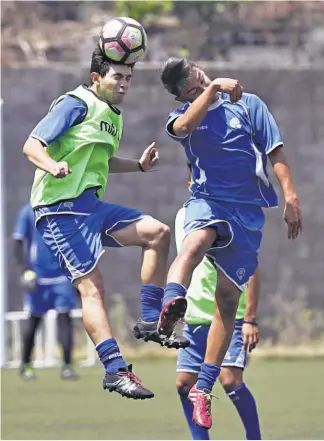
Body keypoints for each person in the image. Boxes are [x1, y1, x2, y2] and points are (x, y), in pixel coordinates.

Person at [22, 46, 185, 400]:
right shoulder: (74, 103)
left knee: (158, 233)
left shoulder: (112, 115)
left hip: (91, 207)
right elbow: (32, 146)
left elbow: (102, 162)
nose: (125, 83)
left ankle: (149, 321)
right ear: (96, 77)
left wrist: (139, 166)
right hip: (59, 210)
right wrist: (51, 166)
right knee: (92, 288)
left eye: (129, 78)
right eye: (118, 77)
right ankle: (114, 370)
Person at [160, 57, 302, 428]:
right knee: (195, 242)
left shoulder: (250, 105)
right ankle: (170, 303)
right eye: (191, 91)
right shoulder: (182, 118)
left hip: (249, 212)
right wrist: (208, 91)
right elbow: (185, 125)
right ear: (183, 97)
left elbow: (275, 151)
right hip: (208, 201)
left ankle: (203, 390)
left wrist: (290, 196)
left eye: (201, 80)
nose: (201, 89)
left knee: (228, 297)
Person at [174, 163, 261, 440]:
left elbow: (253, 268)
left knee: (229, 379)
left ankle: (254, 438)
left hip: (227, 318)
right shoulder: (181, 217)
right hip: (195, 317)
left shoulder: (228, 215)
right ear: (190, 184)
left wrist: (249, 318)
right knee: (185, 384)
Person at [13, 203, 79, 381]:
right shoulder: (28, 211)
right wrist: (25, 270)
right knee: (34, 321)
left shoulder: (64, 210)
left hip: (61, 276)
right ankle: (25, 365)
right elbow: (18, 242)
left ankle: (67, 366)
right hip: (38, 278)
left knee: (65, 320)